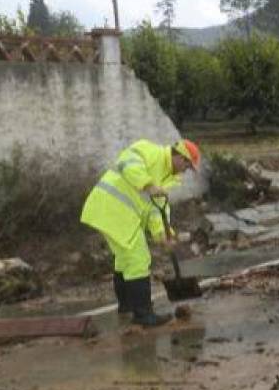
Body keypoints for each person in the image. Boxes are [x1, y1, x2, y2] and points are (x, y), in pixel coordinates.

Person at [80, 139, 201, 326]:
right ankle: (143, 314)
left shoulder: (168, 178)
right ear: (179, 156)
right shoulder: (150, 151)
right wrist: (147, 184)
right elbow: (127, 163)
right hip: (112, 209)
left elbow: (156, 210)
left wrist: (164, 234)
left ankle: (127, 306)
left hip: (116, 214)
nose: (186, 170)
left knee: (124, 260)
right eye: (187, 165)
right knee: (138, 259)